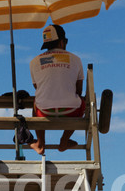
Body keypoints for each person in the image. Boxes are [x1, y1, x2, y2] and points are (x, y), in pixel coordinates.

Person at [29, 23, 84, 155]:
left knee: (36, 103)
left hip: (44, 112)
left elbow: (38, 87)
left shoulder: (34, 62)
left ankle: (40, 143)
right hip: (71, 111)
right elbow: (79, 91)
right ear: (61, 42)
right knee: (83, 102)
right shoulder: (76, 59)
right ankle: (64, 140)